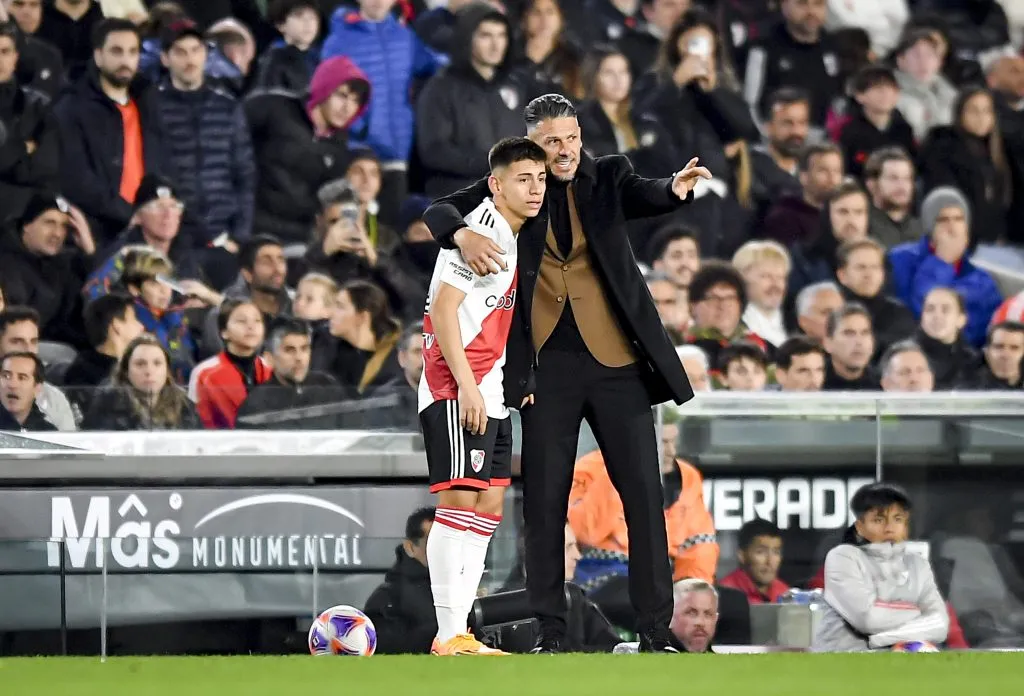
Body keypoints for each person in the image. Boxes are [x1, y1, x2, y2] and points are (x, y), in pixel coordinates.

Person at [424, 93, 709, 654]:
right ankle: (550, 633)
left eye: (572, 138)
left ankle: (656, 632)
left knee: (644, 497)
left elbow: (645, 193)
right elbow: (438, 210)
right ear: (533, 143)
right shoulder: (513, 185)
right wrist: (462, 234)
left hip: (617, 365)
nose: (565, 151)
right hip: (543, 370)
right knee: (545, 503)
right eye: (553, 141)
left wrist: (674, 189)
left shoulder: (607, 175)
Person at [419, 137, 547, 657]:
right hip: (456, 386)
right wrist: (467, 388)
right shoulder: (482, 229)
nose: (535, 188)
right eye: (523, 178)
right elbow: (443, 311)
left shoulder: (513, 234)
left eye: (539, 178)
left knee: (489, 503)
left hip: (488, 387)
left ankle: (461, 632)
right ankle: (449, 633)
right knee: (458, 500)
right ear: (496, 184)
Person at [53, 18, 174, 242]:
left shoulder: (149, 102)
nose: (125, 61)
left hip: (148, 227)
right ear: (98, 56)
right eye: (116, 52)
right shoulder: (72, 107)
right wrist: (129, 214)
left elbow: (164, 165)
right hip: (97, 231)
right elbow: (77, 179)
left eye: (132, 52)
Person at [154, 19, 255, 257]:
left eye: (196, 50)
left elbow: (245, 175)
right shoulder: (152, 107)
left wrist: (239, 237)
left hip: (223, 234)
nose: (190, 59)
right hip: (172, 236)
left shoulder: (228, 106)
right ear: (165, 58)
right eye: (180, 52)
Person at [812, 482, 949, 652]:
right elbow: (868, 619)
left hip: (897, 661)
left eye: (897, 519)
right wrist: (918, 612)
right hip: (842, 665)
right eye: (879, 520)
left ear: (906, 525)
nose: (889, 528)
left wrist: (879, 639)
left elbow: (940, 625)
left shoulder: (918, 565)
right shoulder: (843, 557)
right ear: (860, 527)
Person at [415, 3, 526, 198]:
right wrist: (491, 163)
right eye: (486, 36)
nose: (496, 44)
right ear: (467, 38)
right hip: (459, 200)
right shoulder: (441, 88)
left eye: (501, 35)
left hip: (508, 201)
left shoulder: (516, 86)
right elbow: (434, 151)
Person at [888, 187, 1002, 348]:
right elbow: (921, 314)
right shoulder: (901, 259)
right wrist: (941, 262)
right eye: (943, 220)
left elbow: (983, 333)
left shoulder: (984, 281)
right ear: (929, 227)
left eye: (959, 219)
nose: (952, 228)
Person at [0, 193, 95, 348]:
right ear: (27, 225)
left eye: (64, 226)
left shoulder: (64, 264)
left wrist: (89, 252)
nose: (57, 234)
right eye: (49, 223)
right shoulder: (6, 264)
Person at [0, 20, 60, 225]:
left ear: (15, 57)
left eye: (4, 52)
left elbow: (46, 168)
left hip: (26, 218)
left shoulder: (37, 105)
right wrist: (23, 148)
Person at [82, 333, 200, 429]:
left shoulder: (185, 406)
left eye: (157, 363)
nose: (149, 371)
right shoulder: (106, 403)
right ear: (126, 371)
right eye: (140, 364)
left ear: (167, 371)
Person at [363, 506, 438, 655]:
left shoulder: (469, 585)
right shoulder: (387, 597)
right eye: (434, 542)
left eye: (448, 542)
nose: (443, 550)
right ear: (410, 547)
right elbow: (384, 645)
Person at [188, 297, 272, 428]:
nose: (251, 326)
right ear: (224, 332)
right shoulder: (204, 373)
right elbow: (196, 424)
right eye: (241, 321)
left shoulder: (271, 369)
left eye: (257, 320)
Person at [64, 292, 144, 391]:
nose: (141, 326)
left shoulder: (140, 368)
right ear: (117, 326)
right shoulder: (83, 374)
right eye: (134, 319)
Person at [916, 287, 976, 390]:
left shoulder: (972, 359)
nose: (937, 316)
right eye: (930, 309)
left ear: (961, 319)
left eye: (945, 310)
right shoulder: (906, 355)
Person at [254, 0, 320, 92]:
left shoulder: (319, 58)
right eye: (299, 16)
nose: (308, 23)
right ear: (281, 25)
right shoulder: (274, 60)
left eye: (312, 17)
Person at [720, 518, 790, 604]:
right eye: (760, 552)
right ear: (742, 556)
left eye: (776, 552)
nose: (770, 561)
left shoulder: (784, 592)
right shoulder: (723, 595)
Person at [822, 302, 879, 390]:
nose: (859, 342)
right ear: (828, 343)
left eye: (865, 333)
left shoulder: (883, 384)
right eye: (849, 333)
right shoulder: (815, 384)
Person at [0, 351, 56, 430]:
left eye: (22, 378)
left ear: (37, 389)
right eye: (6, 376)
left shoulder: (48, 433)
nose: (12, 385)